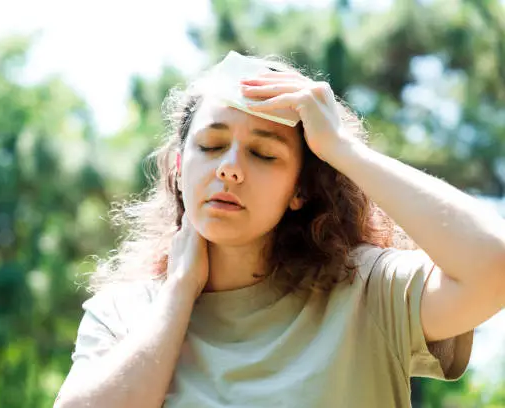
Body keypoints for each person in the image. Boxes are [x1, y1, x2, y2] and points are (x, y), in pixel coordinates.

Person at [54, 51, 505, 408]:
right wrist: (178, 291)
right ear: (177, 167)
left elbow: (494, 263)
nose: (229, 169)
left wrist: (342, 150)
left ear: (301, 189)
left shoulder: (370, 290)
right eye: (211, 146)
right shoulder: (123, 313)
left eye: (264, 154)